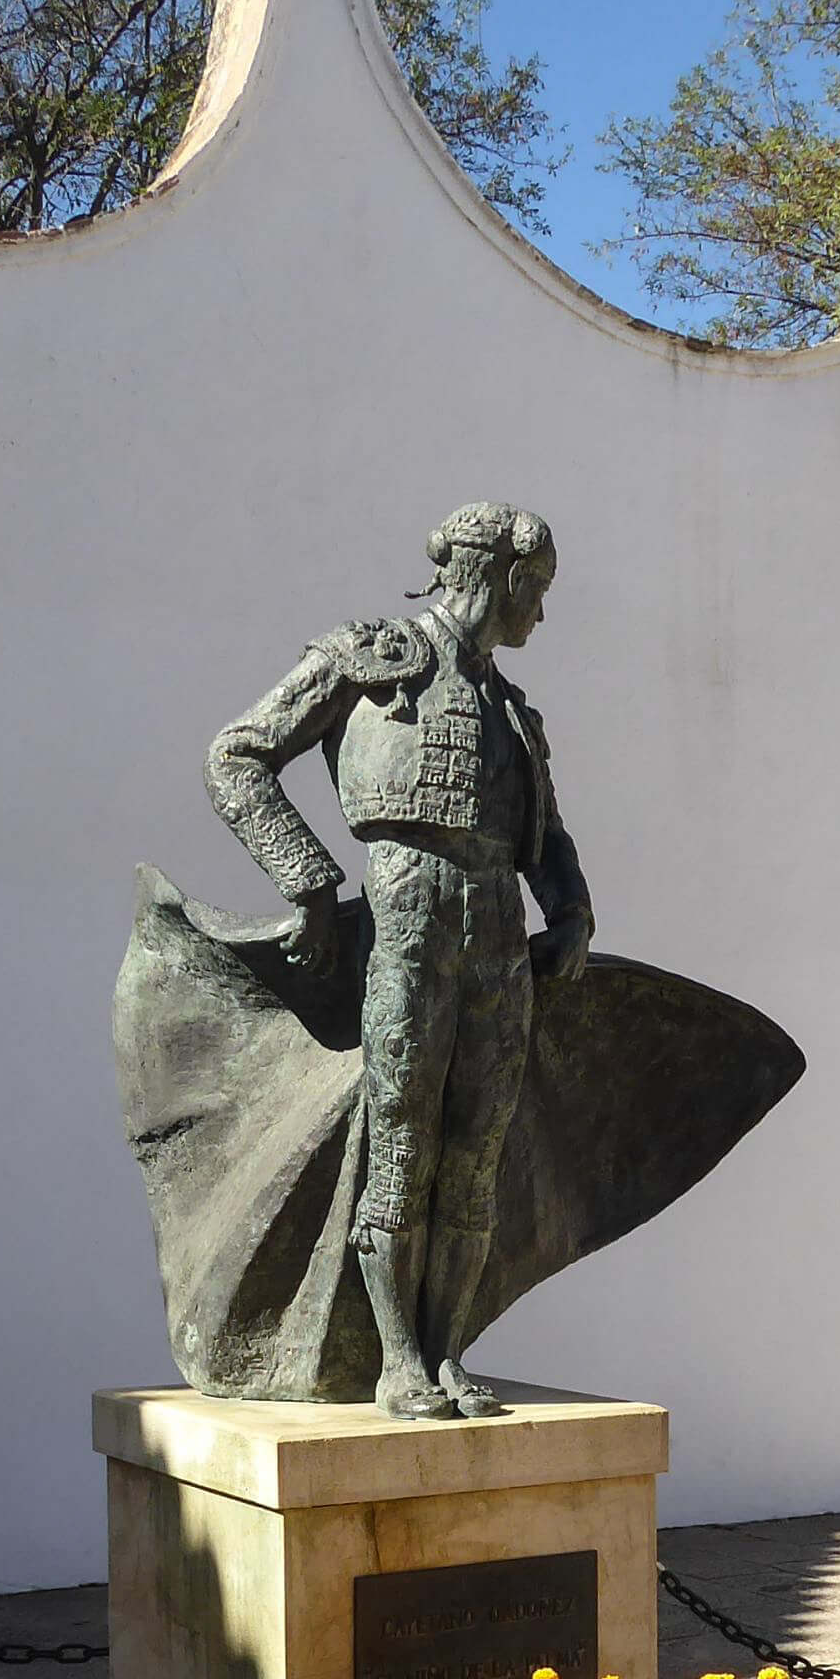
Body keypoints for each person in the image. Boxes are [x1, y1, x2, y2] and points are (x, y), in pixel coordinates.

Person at [205, 503, 594, 1421]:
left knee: (477, 1151)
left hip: (496, 933)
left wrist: (572, 910)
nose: (541, 611)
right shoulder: (371, 658)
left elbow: (544, 833)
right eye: (537, 589)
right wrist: (307, 881)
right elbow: (238, 756)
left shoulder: (511, 709)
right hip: (406, 915)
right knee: (404, 1139)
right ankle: (397, 1361)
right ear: (503, 576)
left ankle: (445, 1350)